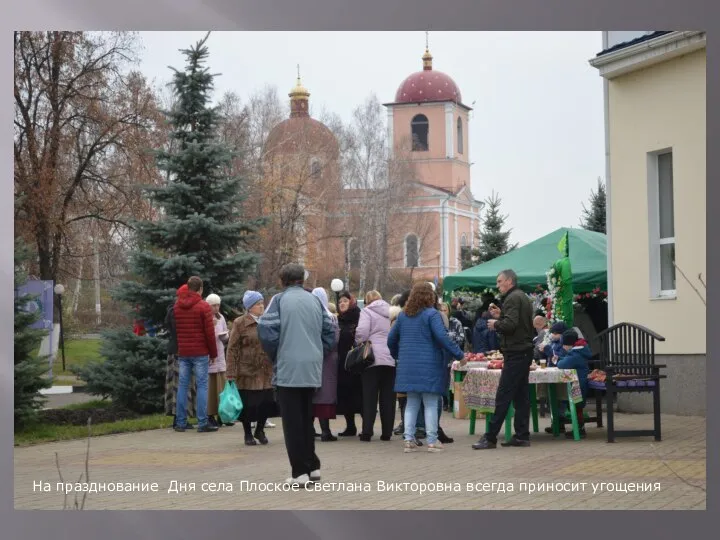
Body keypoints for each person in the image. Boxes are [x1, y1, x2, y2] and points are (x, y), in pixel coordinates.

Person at [257, 263, 337, 487]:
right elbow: (331, 330)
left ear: (283, 279)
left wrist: (277, 354)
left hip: (288, 368)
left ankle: (299, 472)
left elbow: (266, 331)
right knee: (306, 418)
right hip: (311, 367)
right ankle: (313, 466)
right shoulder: (314, 300)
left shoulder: (279, 301)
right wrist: (318, 351)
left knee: (292, 423)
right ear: (302, 279)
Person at [388, 282, 465, 453]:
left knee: (412, 402)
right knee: (430, 402)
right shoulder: (432, 314)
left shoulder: (402, 316)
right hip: (430, 366)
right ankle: (432, 440)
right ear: (431, 296)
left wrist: (397, 355)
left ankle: (408, 440)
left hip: (407, 366)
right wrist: (460, 355)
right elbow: (443, 338)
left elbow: (390, 339)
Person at [472, 269, 534, 450]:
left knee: (503, 395)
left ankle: (490, 437)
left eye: (499, 282)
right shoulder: (520, 296)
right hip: (522, 351)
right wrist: (502, 317)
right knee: (521, 396)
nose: (497, 285)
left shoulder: (513, 298)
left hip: (516, 352)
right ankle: (522, 436)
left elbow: (512, 324)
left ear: (509, 281)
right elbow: (517, 322)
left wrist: (496, 324)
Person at [226, 291, 276, 446]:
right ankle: (247, 433)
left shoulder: (267, 321)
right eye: (257, 304)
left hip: (266, 369)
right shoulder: (240, 323)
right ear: (249, 307)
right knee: (249, 405)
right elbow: (232, 348)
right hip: (247, 370)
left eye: (262, 303)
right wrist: (231, 372)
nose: (261, 306)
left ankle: (260, 430)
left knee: (267, 403)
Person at [173, 276, 218, 433]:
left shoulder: (177, 306)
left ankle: (180, 422)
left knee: (182, 386)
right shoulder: (203, 307)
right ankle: (202, 422)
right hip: (200, 352)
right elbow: (209, 333)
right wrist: (213, 353)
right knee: (202, 386)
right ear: (200, 289)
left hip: (184, 351)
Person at [355, 290, 396, 442]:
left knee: (370, 397)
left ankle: (367, 432)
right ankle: (387, 432)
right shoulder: (392, 312)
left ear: (367, 301)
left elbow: (362, 333)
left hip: (371, 359)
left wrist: (358, 341)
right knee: (388, 398)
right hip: (390, 358)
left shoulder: (366, 311)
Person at [549, 329, 592, 439]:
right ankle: (579, 428)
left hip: (578, 384)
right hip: (578, 382)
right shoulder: (579, 351)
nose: (563, 347)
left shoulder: (575, 354)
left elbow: (563, 364)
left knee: (576, 405)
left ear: (569, 344)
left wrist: (558, 361)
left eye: (564, 345)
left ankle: (579, 429)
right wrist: (561, 358)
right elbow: (568, 360)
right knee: (577, 406)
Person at [164, 284, 196, 429]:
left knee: (177, 386)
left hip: (176, 350)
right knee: (181, 385)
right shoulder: (178, 311)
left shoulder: (172, 310)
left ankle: (178, 417)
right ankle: (179, 418)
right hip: (181, 351)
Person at [311, 287, 341, 442]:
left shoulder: (308, 316)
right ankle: (325, 431)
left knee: (311, 394)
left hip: (310, 359)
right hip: (328, 360)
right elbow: (335, 339)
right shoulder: (330, 317)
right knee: (324, 394)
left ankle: (309, 430)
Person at [335, 291, 363, 437]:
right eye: (340, 302)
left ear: (351, 302)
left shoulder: (359, 316)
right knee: (345, 395)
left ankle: (366, 426)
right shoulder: (339, 319)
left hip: (356, 363)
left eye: (345, 301)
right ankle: (350, 426)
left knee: (360, 394)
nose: (342, 304)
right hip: (342, 363)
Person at [205, 293, 230, 427]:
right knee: (211, 387)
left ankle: (223, 414)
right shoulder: (206, 318)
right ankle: (210, 414)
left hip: (220, 355)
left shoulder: (221, 318)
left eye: (218, 305)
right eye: (213, 305)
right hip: (210, 357)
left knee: (221, 386)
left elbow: (225, 334)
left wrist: (225, 337)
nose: (216, 308)